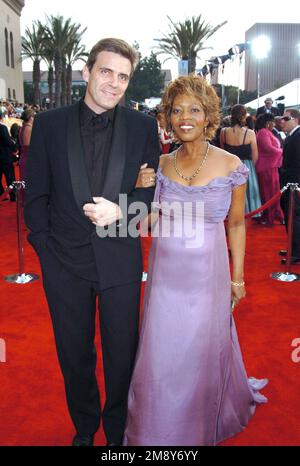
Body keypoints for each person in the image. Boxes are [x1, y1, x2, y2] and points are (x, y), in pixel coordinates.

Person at [24, 38, 160, 447]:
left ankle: (117, 434)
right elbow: (35, 198)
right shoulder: (49, 125)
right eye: (106, 71)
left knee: (122, 356)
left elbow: (147, 192)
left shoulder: (142, 127)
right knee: (74, 355)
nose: (114, 83)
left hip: (119, 258)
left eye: (123, 76)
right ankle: (85, 429)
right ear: (87, 71)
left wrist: (122, 211)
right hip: (64, 262)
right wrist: (47, 252)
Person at [123, 75, 268, 446]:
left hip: (207, 275)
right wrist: (137, 187)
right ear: (168, 118)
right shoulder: (160, 163)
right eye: (176, 110)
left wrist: (237, 279)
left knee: (197, 353)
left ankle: (193, 427)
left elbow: (236, 224)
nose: (184, 117)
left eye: (194, 110)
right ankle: (153, 429)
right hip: (164, 275)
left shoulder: (231, 164)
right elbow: (147, 220)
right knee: (160, 352)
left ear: (208, 116)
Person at [220, 104, 261, 217]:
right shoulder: (250, 133)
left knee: (231, 201)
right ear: (243, 117)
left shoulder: (223, 132)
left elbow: (223, 153)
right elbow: (255, 156)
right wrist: (251, 170)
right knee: (248, 205)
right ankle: (244, 231)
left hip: (230, 168)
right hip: (247, 168)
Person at [255, 113, 284, 226]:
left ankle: (274, 215)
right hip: (266, 168)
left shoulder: (266, 132)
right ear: (268, 123)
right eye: (273, 122)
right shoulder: (263, 133)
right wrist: (282, 151)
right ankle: (269, 217)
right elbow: (269, 148)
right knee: (269, 193)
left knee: (273, 193)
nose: (274, 124)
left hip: (271, 167)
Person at [280, 109, 300, 263]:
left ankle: (296, 253)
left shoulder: (298, 136)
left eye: (286, 118)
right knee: (290, 216)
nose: (282, 121)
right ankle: (292, 248)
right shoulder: (292, 136)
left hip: (294, 184)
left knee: (295, 217)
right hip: (289, 183)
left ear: (296, 119)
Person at [0, 110, 17, 201]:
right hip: (5, 156)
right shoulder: (2, 128)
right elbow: (8, 141)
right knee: (10, 177)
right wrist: (15, 146)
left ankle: (2, 195)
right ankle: (13, 196)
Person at [18, 108, 35, 182]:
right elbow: (28, 146)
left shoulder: (23, 127)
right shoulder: (28, 128)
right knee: (28, 181)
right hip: (28, 159)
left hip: (24, 157)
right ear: (31, 117)